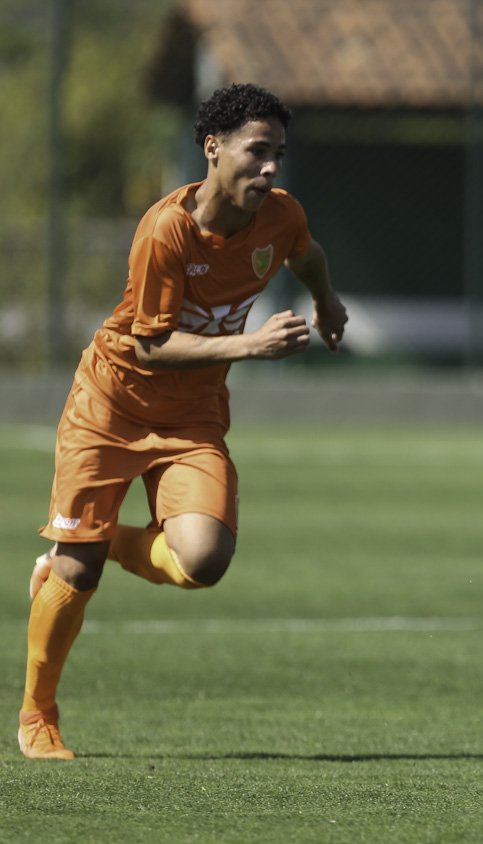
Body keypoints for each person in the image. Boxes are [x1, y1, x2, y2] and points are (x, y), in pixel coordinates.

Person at [19, 83, 348, 760]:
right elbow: (150, 345)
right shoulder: (166, 229)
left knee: (204, 560)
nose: (270, 168)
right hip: (111, 404)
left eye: (278, 154)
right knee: (75, 578)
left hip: (193, 415)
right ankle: (36, 716)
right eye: (258, 152)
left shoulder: (279, 217)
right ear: (213, 148)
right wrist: (248, 345)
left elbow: (306, 253)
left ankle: (96, 541)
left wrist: (329, 304)